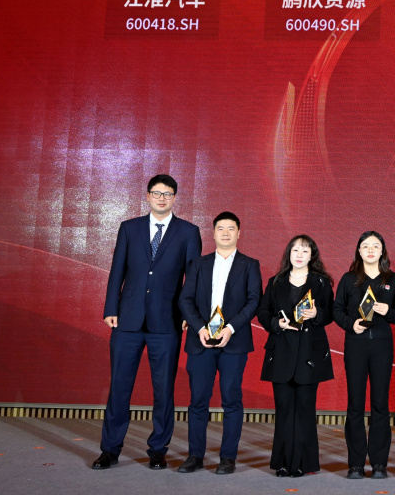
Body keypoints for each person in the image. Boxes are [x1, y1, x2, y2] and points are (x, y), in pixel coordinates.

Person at [93, 174, 202, 471]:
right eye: (157, 193)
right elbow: (117, 270)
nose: (161, 198)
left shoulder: (188, 232)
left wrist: (188, 315)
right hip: (127, 320)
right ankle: (110, 449)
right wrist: (110, 308)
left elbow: (192, 279)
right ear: (147, 196)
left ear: (175, 198)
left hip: (167, 323)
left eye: (167, 194)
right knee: (119, 387)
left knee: (163, 390)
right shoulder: (129, 228)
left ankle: (158, 450)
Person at [176, 212, 262, 475]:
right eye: (220, 228)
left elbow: (253, 301)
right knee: (198, 400)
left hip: (233, 342)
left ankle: (228, 457)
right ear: (213, 233)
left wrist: (230, 328)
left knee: (231, 400)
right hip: (200, 340)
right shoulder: (197, 264)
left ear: (239, 233)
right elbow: (185, 299)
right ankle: (195, 455)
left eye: (231, 228)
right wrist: (200, 328)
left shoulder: (250, 265)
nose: (225, 233)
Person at [257, 234, 335, 477]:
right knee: (283, 410)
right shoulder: (275, 282)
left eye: (305, 251)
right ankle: (282, 463)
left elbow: (331, 313)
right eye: (295, 250)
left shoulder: (321, 282)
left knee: (305, 410)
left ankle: (302, 463)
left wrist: (317, 314)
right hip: (281, 351)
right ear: (288, 254)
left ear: (312, 256)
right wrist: (276, 323)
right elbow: (262, 311)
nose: (299, 255)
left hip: (309, 354)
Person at [332, 231, 395, 479]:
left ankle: (379, 464)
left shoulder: (392, 278)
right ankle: (355, 464)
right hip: (356, 345)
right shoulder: (349, 278)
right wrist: (350, 324)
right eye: (366, 246)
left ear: (382, 250)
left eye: (376, 246)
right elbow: (336, 310)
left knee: (380, 405)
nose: (371, 250)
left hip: (382, 346)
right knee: (355, 405)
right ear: (359, 251)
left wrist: (388, 311)